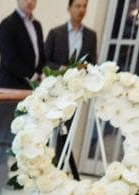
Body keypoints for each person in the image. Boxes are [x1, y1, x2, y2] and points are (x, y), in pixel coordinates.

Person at [0, 0, 43, 194]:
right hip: (8, 90)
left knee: (16, 137)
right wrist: (33, 76)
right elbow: (10, 59)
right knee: (0, 134)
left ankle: (7, 178)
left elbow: (39, 56)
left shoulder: (36, 25)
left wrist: (41, 74)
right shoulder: (7, 24)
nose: (30, 1)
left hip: (28, 92)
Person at [44, 0, 98, 180]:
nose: (81, 10)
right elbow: (45, 62)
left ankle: (59, 168)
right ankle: (45, 167)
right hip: (56, 90)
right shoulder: (55, 33)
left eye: (84, 6)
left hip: (75, 93)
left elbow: (93, 64)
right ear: (69, 8)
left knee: (66, 131)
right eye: (78, 6)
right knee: (49, 130)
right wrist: (60, 68)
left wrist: (86, 69)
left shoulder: (91, 36)